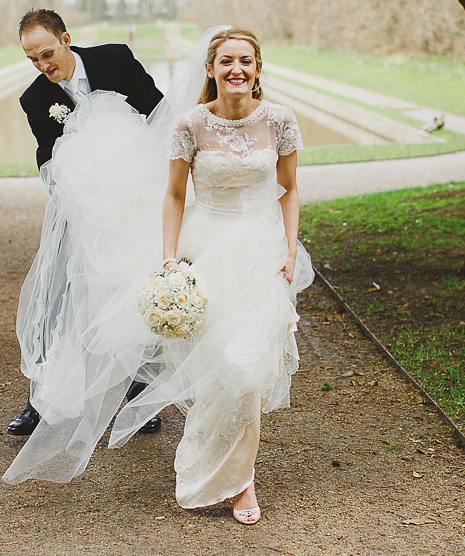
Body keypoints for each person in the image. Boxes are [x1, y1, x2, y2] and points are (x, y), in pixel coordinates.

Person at [109, 28, 313, 524]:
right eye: (226, 61)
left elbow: (288, 190)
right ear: (210, 69)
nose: (236, 70)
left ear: (258, 68)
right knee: (217, 366)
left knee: (251, 365)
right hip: (208, 251)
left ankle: (242, 482)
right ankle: (224, 469)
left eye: (246, 61)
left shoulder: (281, 121)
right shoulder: (191, 125)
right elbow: (176, 195)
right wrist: (170, 259)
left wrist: (289, 250)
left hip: (261, 252)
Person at [7, 9, 164, 438]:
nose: (43, 66)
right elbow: (46, 153)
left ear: (66, 39)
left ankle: (141, 395)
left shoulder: (114, 60)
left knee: (135, 290)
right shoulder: (35, 99)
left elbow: (159, 114)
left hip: (136, 204)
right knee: (57, 294)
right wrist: (65, 190)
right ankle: (41, 399)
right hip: (83, 208)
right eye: (33, 60)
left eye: (47, 54)